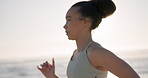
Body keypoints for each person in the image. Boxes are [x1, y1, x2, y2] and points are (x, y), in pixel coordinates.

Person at [37, 0, 140, 78]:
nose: (65, 26)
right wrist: (52, 76)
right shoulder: (76, 53)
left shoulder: (96, 53)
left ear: (85, 22)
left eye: (69, 20)